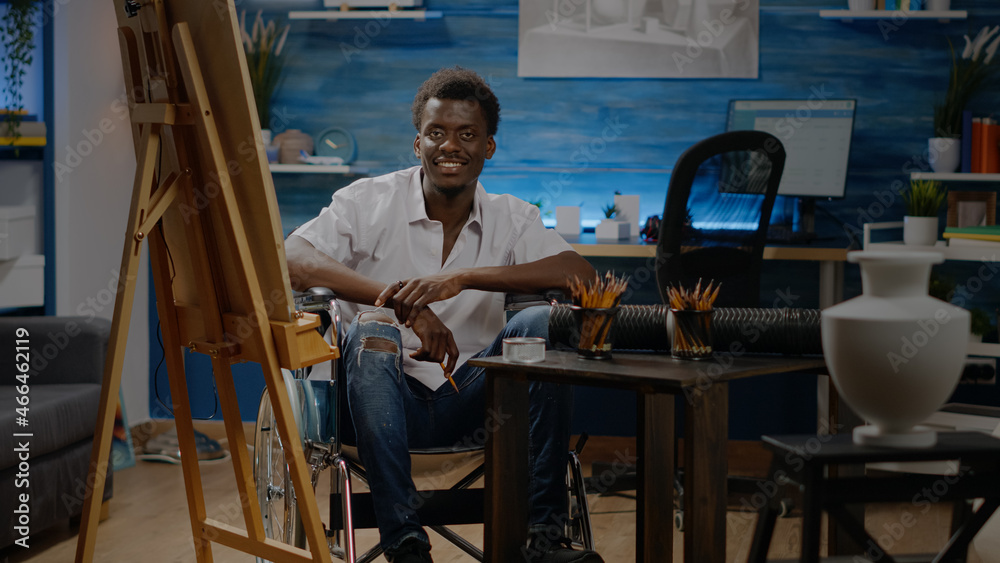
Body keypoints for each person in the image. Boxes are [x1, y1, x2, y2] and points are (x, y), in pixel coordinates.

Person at [285, 66, 604, 563]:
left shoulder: (513, 217)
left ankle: (544, 540)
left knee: (541, 322)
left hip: (478, 404)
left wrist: (464, 277)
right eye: (436, 133)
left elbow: (582, 275)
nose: (449, 146)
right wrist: (403, 304)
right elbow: (293, 259)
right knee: (373, 327)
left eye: (467, 135)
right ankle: (405, 542)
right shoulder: (366, 201)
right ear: (418, 144)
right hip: (373, 404)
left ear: (488, 147)